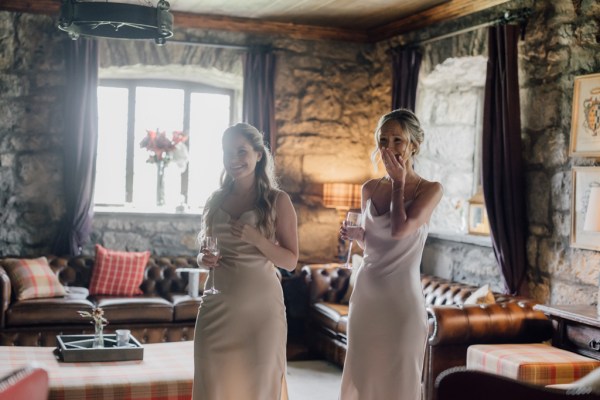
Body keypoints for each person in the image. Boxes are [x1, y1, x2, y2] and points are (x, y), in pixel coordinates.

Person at [339, 108, 443, 399]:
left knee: (399, 378)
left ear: (414, 145)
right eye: (383, 140)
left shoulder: (430, 190)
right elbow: (375, 244)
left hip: (401, 301)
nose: (388, 147)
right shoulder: (369, 188)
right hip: (367, 295)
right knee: (363, 375)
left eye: (397, 140)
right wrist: (359, 235)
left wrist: (398, 183)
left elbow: (400, 231)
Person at [192, 123, 299, 400]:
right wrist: (203, 258)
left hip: (261, 314)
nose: (234, 159)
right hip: (217, 307)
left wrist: (258, 240)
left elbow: (290, 261)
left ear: (258, 154)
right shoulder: (215, 200)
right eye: (228, 152)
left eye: (242, 151)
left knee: (259, 387)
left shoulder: (278, 201)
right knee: (212, 385)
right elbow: (204, 252)